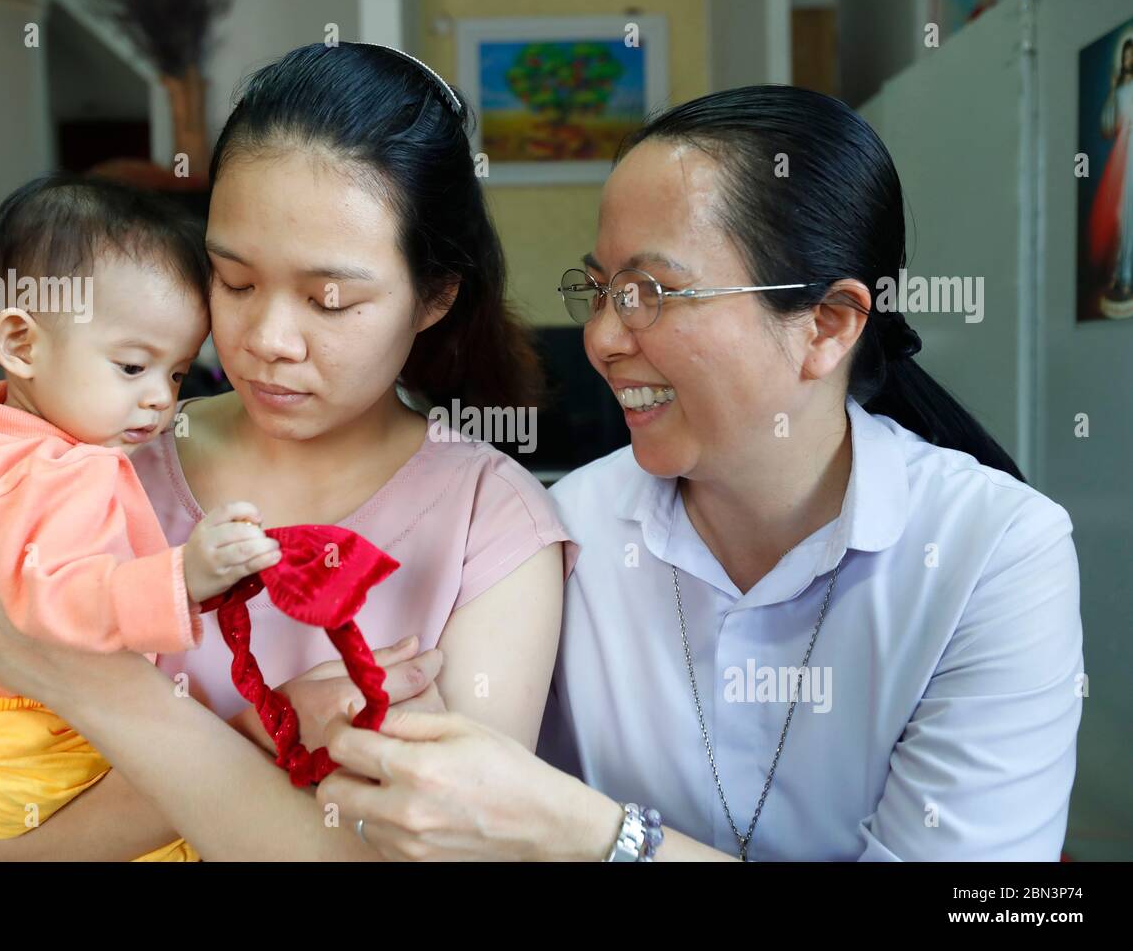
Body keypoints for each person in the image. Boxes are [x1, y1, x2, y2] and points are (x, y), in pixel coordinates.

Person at [310, 85, 1083, 861]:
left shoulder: (995, 553)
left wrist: (587, 833)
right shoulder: (558, 529)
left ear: (827, 325)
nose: (604, 337)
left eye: (652, 294)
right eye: (603, 290)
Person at [0, 43, 572, 861]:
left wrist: (116, 694)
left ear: (434, 296)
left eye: (330, 300)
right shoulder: (88, 466)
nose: (266, 341)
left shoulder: (493, 526)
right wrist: (267, 737)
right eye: (235, 282)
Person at [0, 174, 270, 861]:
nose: (157, 399)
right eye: (131, 365)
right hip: (15, 737)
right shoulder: (54, 467)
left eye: (175, 374)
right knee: (191, 813)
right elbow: (53, 602)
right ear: (22, 346)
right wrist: (185, 575)